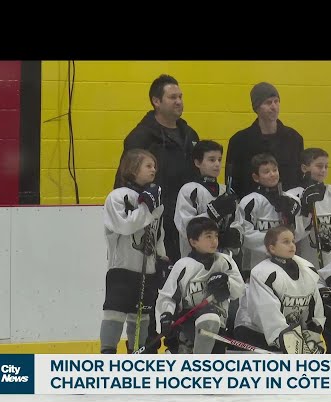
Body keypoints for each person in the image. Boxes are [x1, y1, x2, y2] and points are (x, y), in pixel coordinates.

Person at [113, 74, 199, 264]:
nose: (179, 102)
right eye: (172, 97)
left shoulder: (190, 136)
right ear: (156, 101)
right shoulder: (140, 138)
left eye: (180, 97)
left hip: (186, 221)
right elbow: (124, 180)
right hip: (155, 221)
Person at [100, 149, 165, 354]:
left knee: (142, 317)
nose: (153, 169)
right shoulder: (117, 196)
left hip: (148, 271)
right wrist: (146, 207)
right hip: (122, 269)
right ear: (132, 168)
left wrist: (162, 259)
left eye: (154, 166)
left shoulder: (155, 201)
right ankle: (107, 355)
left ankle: (136, 356)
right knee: (115, 314)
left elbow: (157, 235)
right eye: (148, 165)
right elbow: (125, 227)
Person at [155, 217, 244, 354]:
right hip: (188, 324)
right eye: (208, 236)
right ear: (193, 242)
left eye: (216, 236)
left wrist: (227, 284)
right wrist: (166, 315)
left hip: (218, 326)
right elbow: (168, 296)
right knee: (209, 318)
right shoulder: (183, 265)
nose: (214, 241)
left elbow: (239, 290)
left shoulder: (225, 261)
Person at [232, 225, 325, 353]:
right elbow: (267, 314)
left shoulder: (308, 268)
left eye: (293, 241)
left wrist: (313, 333)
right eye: (286, 242)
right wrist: (289, 342)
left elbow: (314, 306)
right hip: (254, 330)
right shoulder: (262, 273)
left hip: (288, 332)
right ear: (272, 248)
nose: (292, 245)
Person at [225, 82, 304, 199]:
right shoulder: (239, 141)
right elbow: (232, 181)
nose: (274, 107)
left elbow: (300, 176)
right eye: (268, 103)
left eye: (276, 101)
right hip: (252, 208)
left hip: (287, 208)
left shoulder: (294, 139)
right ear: (256, 108)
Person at [230, 153, 305, 275]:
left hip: (287, 263)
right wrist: (277, 244)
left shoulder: (292, 200)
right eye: (266, 172)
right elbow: (245, 235)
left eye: (275, 170)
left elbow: (299, 234)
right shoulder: (250, 201)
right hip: (256, 264)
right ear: (256, 177)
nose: (272, 174)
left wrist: (291, 219)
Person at [287, 148, 331, 268]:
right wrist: (305, 208)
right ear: (304, 168)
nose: (323, 170)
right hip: (303, 266)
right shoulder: (292, 196)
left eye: (326, 166)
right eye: (319, 166)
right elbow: (291, 233)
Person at [174, 140, 240, 258]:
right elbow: (185, 227)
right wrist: (212, 213)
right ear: (197, 163)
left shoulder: (226, 191)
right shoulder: (189, 190)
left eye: (219, 160)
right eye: (211, 159)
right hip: (195, 261)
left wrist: (233, 235)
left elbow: (238, 224)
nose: (217, 164)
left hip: (223, 259)